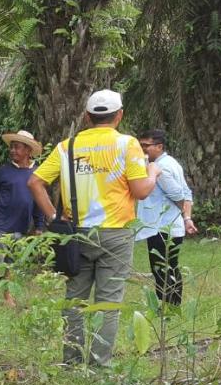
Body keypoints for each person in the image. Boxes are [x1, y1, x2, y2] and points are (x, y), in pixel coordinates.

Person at [28, 90, 161, 366]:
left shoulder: (68, 147)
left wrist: (53, 216)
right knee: (108, 302)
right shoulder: (128, 144)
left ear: (87, 117)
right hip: (115, 234)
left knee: (74, 300)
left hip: (76, 233)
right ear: (120, 115)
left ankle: (71, 361)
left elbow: (35, 183)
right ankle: (99, 364)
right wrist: (152, 173)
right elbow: (141, 192)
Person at [0, 130, 44, 310]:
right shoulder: (3, 172)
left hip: (21, 227)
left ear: (28, 151)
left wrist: (39, 225)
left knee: (12, 264)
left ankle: (8, 296)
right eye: (11, 147)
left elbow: (40, 201)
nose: (12, 150)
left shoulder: (37, 174)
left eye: (17, 147)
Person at [135, 129, 197, 307]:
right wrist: (187, 218)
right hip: (170, 226)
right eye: (140, 145)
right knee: (170, 267)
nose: (142, 149)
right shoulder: (171, 162)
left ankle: (168, 306)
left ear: (159, 146)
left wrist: (185, 215)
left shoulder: (159, 167)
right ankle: (172, 305)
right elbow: (186, 192)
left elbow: (178, 193)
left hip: (162, 227)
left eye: (146, 145)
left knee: (161, 269)